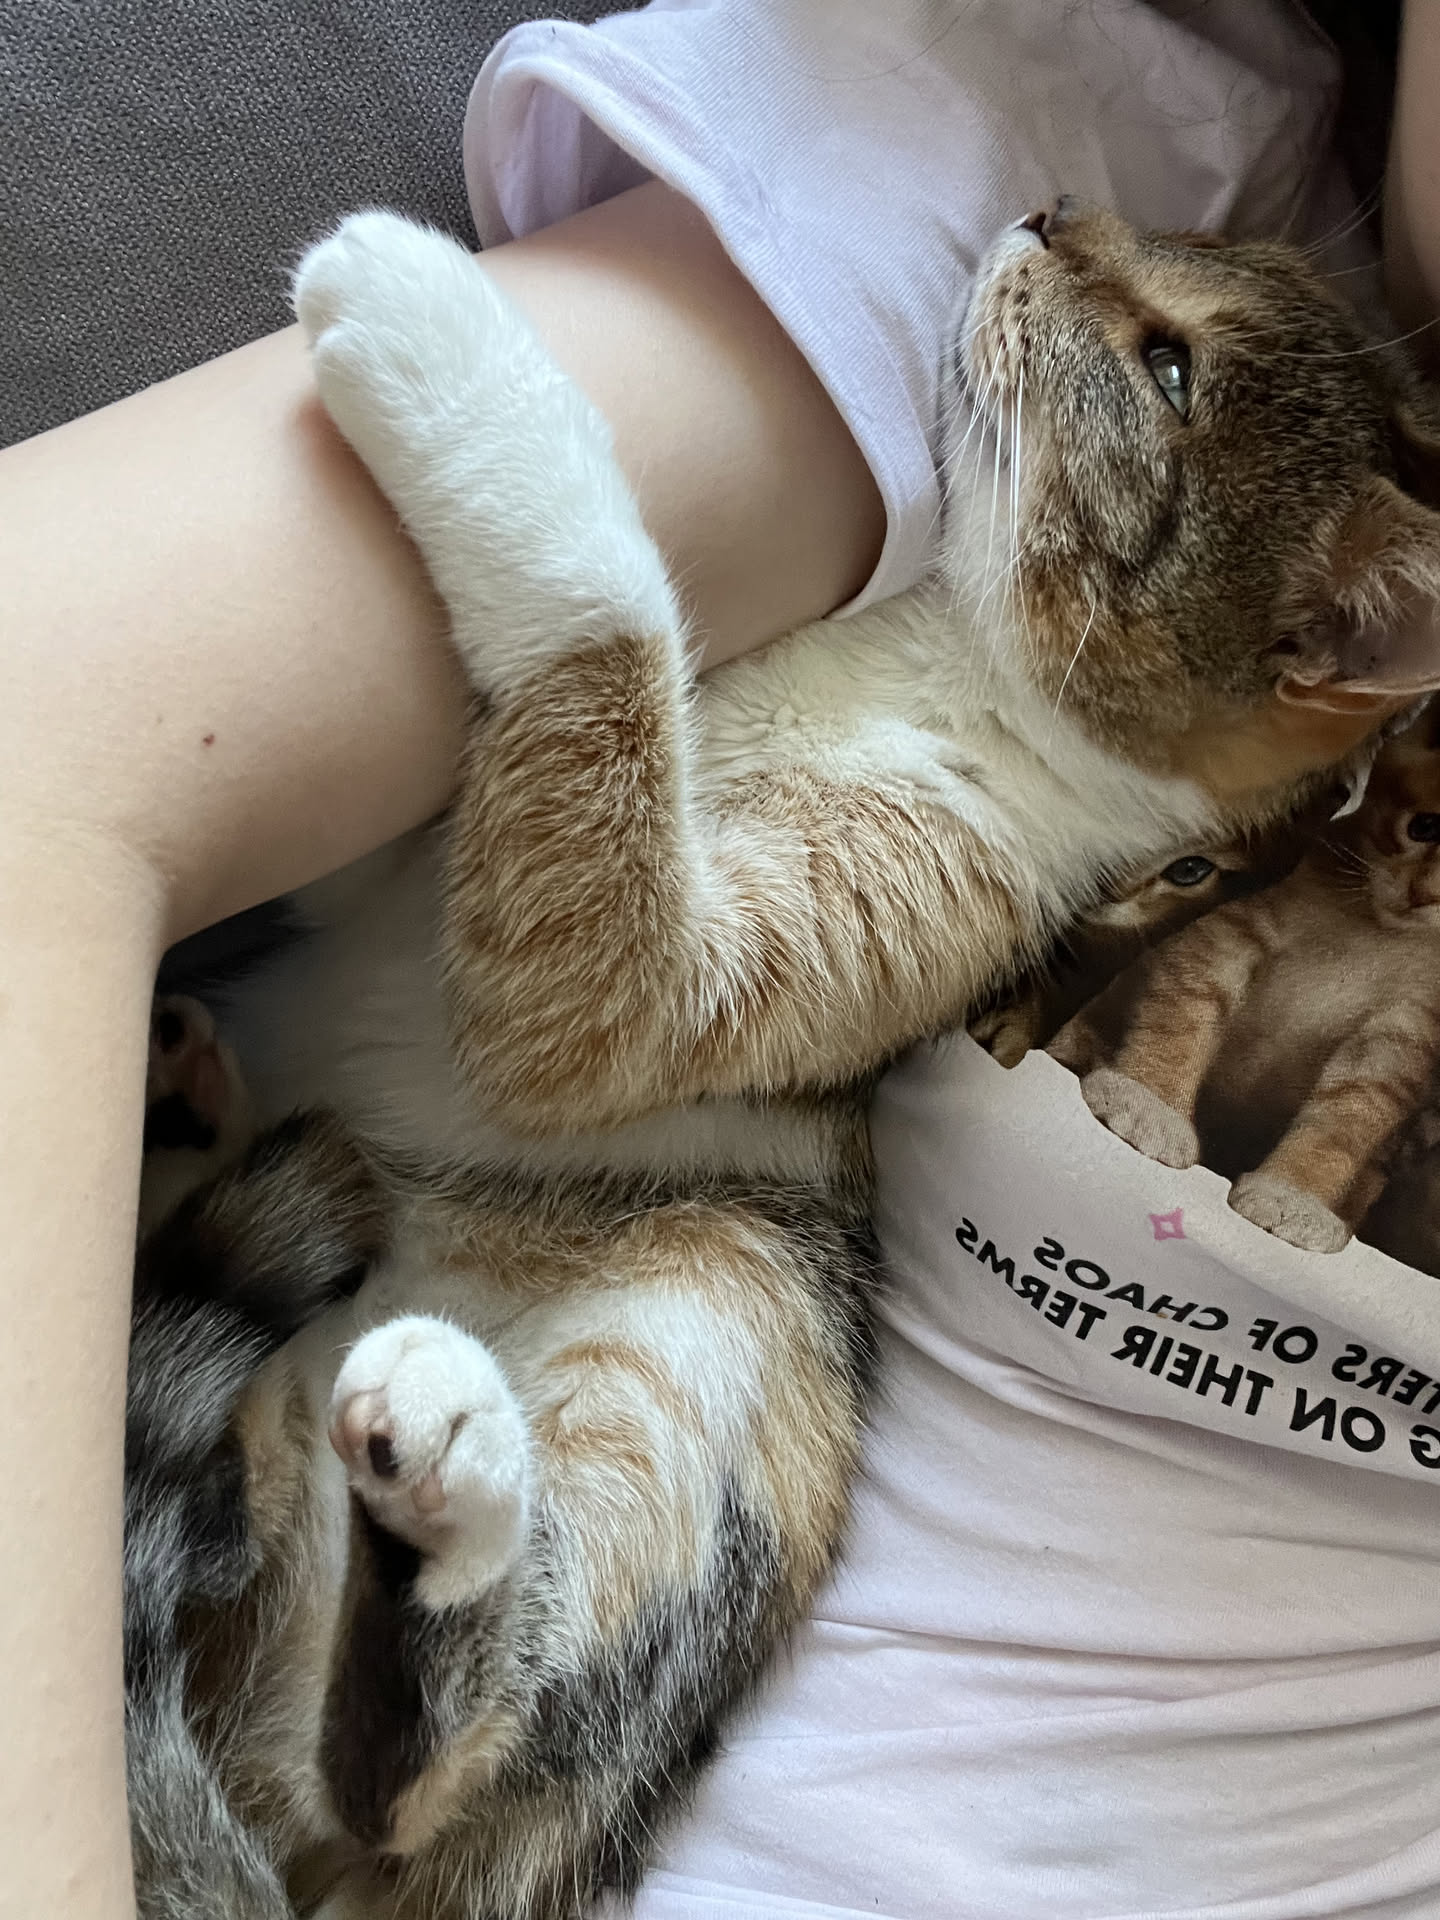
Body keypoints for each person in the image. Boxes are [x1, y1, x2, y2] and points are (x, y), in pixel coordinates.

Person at [0, 1, 1427, 1913]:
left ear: (1312, 656)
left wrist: (573, 582)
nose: (1050, 251)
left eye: (1154, 357)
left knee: (722, 1331)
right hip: (346, 1376)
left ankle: (421, 1688)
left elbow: (585, 1010)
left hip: (460, 1448)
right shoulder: (1140, 147)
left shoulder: (1003, 828)